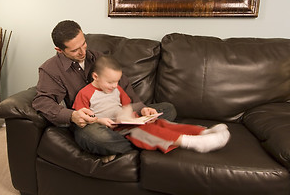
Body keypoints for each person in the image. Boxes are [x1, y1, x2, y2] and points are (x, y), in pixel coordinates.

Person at [32, 20, 177, 157]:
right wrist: (72, 116)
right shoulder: (50, 69)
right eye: (75, 50)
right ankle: (147, 138)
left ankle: (125, 142)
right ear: (59, 50)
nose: (83, 52)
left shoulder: (98, 58)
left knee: (168, 109)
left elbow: (124, 85)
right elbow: (43, 102)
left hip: (119, 117)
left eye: (84, 44)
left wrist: (142, 109)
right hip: (90, 123)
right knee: (96, 138)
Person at [73, 55, 231, 157]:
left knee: (161, 122)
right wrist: (100, 121)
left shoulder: (117, 88)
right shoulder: (85, 93)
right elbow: (83, 116)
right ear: (95, 76)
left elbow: (128, 105)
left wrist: (140, 113)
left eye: (117, 81)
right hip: (111, 128)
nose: (115, 85)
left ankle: (203, 131)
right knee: (147, 131)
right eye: (110, 82)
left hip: (127, 122)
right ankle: (193, 143)